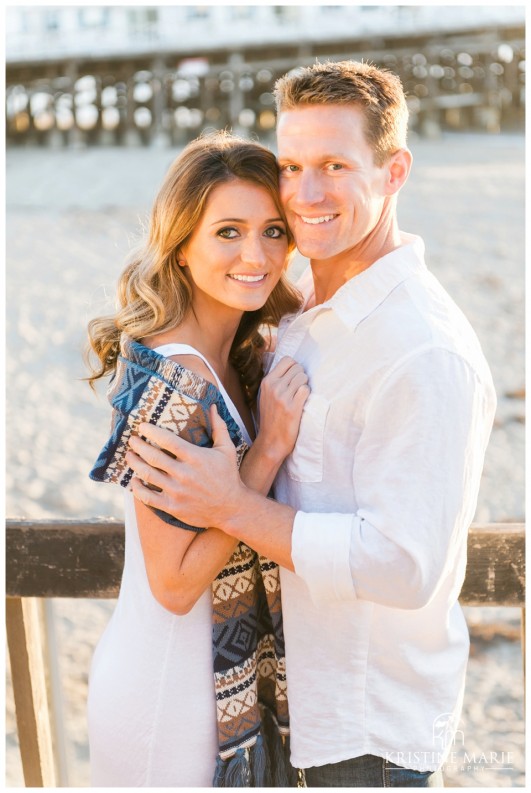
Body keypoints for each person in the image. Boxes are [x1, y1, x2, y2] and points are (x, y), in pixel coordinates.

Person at [125, 61, 497, 788]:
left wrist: (234, 504)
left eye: (334, 165)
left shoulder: (422, 349)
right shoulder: (300, 319)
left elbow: (403, 563)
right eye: (291, 166)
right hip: (286, 712)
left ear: (393, 172)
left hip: (366, 732)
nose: (306, 193)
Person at [85, 131, 310, 787]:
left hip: (207, 688)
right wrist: (266, 450)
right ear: (182, 246)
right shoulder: (172, 383)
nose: (256, 253)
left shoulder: (232, 355)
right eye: (228, 232)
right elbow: (174, 582)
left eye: (273, 231)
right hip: (166, 696)